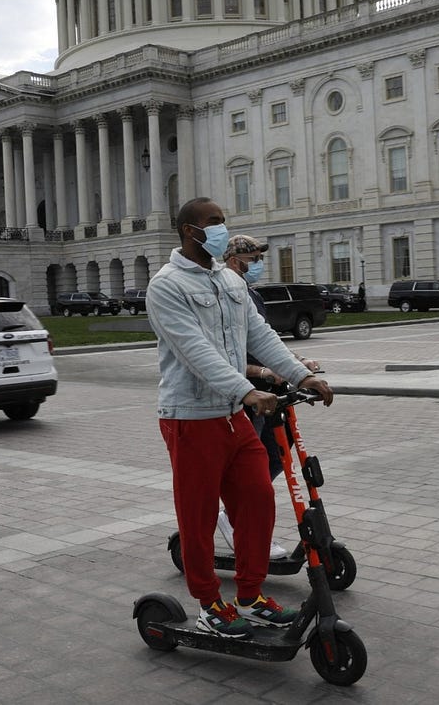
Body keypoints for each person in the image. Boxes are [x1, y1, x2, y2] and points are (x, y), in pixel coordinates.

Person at [146, 197, 334, 639]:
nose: (221, 229)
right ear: (188, 230)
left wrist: (301, 376)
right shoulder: (167, 285)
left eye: (223, 221)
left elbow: (260, 334)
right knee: (198, 516)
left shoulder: (228, 282)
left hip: (234, 416)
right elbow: (194, 350)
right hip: (191, 417)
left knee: (256, 504)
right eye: (212, 222)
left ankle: (249, 598)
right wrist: (247, 391)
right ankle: (210, 605)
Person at [220, 234, 320, 560]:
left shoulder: (251, 295)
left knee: (277, 458)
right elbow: (222, 356)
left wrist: (297, 365)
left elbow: (266, 339)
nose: (260, 265)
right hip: (245, 397)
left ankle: (237, 513)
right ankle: (240, 524)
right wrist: (262, 374)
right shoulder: (222, 295)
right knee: (253, 469)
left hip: (272, 395)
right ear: (236, 261)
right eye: (255, 259)